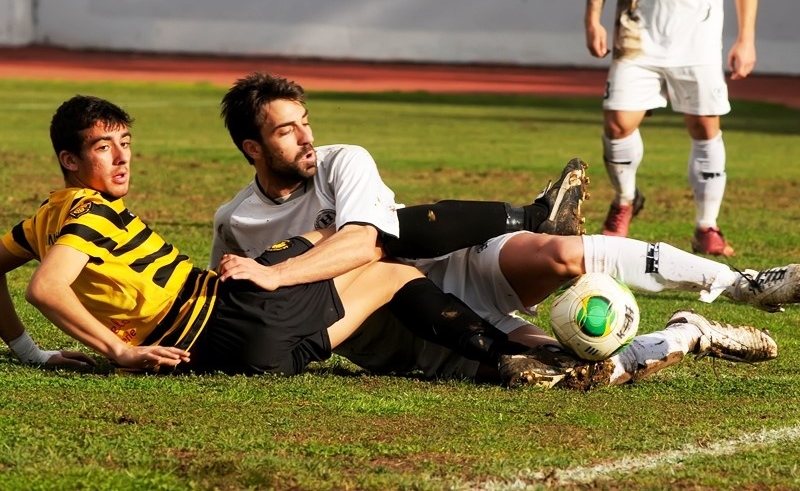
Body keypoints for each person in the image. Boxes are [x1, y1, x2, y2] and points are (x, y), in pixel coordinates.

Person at [210, 71, 794, 386]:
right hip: (409, 333)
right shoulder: (235, 223)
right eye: (287, 131)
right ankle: (690, 334)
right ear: (252, 148)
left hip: (449, 263)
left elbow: (366, 242)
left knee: (562, 253)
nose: (308, 138)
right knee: (580, 370)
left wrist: (278, 274)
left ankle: (743, 284)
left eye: (306, 122)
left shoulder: (343, 161)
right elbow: (231, 311)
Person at [1, 94, 561, 378]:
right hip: (232, 315)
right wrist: (119, 350)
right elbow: (45, 287)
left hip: (234, 358)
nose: (123, 158)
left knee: (390, 274)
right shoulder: (91, 212)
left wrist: (28, 353)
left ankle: (512, 361)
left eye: (125, 143)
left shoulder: (45, 218)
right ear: (69, 159)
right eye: (104, 148)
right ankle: (531, 219)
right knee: (369, 241)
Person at [584, 0, 762, 255]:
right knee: (617, 124)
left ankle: (707, 226)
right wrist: (592, 20)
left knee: (704, 127)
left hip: (699, 41)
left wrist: (746, 39)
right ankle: (625, 199)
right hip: (637, 33)